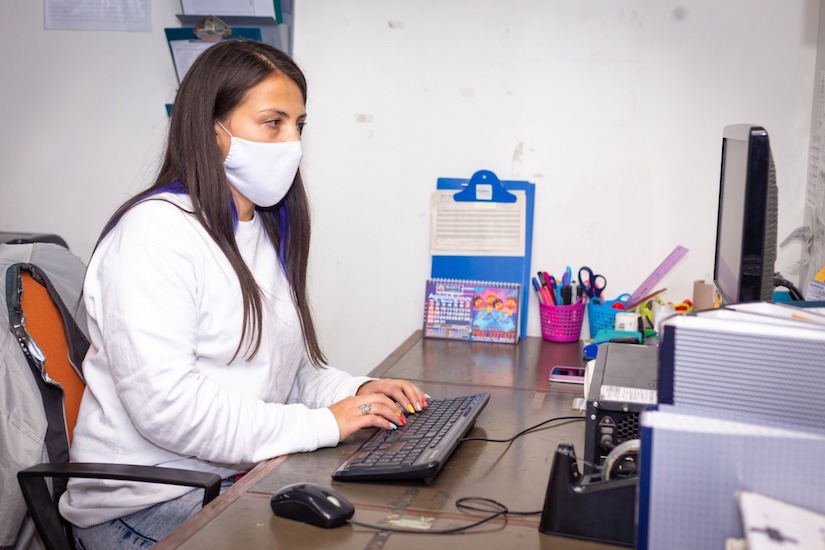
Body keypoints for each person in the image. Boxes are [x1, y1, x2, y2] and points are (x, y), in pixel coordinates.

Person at [59, 39, 426, 548]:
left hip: (233, 477)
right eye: (273, 122)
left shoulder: (262, 226)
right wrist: (324, 424)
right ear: (214, 132)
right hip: (148, 506)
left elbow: (285, 372)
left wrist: (357, 393)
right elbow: (170, 410)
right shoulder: (154, 234)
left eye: (299, 125)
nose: (292, 142)